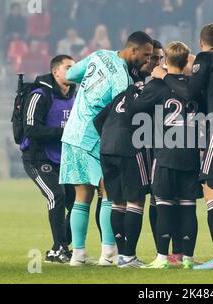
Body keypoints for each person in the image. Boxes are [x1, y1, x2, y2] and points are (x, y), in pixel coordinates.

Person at [153, 24, 213, 270]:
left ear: (201, 43)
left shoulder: (206, 58)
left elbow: (191, 93)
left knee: (211, 191)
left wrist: (166, 76)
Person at [59, 31, 153, 267]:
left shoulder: (98, 54)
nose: (147, 60)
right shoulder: (123, 79)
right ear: (133, 51)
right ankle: (109, 254)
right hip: (93, 137)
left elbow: (70, 74)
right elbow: (121, 113)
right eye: (146, 55)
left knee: (82, 196)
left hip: (72, 132)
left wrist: (90, 91)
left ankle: (78, 255)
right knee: (109, 193)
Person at [128, 42, 203, 269]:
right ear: (186, 62)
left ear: (166, 62)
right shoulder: (195, 87)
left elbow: (134, 110)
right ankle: (187, 258)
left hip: (166, 154)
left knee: (164, 205)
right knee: (189, 206)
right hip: (190, 153)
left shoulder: (158, 86)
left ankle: (162, 257)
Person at [21, 55, 77, 264]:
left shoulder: (75, 94)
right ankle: (58, 248)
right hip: (37, 157)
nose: (73, 71)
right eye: (69, 67)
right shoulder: (40, 94)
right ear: (56, 72)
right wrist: (64, 132)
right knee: (57, 195)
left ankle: (63, 246)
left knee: (78, 202)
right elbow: (31, 130)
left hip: (64, 158)